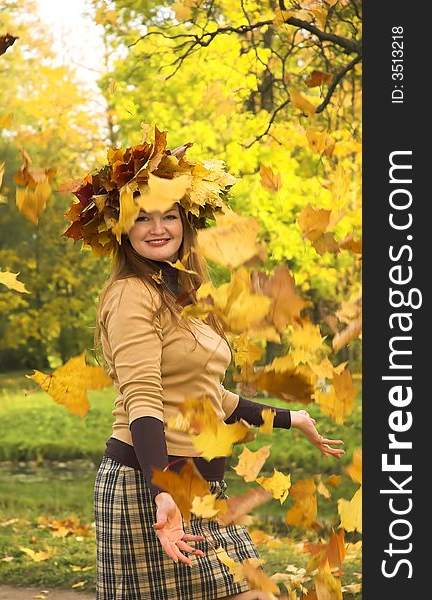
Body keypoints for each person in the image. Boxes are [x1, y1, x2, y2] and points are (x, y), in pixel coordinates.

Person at [62, 127, 345, 600]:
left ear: (185, 222)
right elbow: (143, 397)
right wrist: (163, 488)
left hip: (198, 487)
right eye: (142, 217)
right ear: (122, 229)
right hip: (150, 485)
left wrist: (290, 418)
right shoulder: (132, 295)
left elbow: (210, 397)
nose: (158, 228)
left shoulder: (176, 298)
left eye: (169, 215)